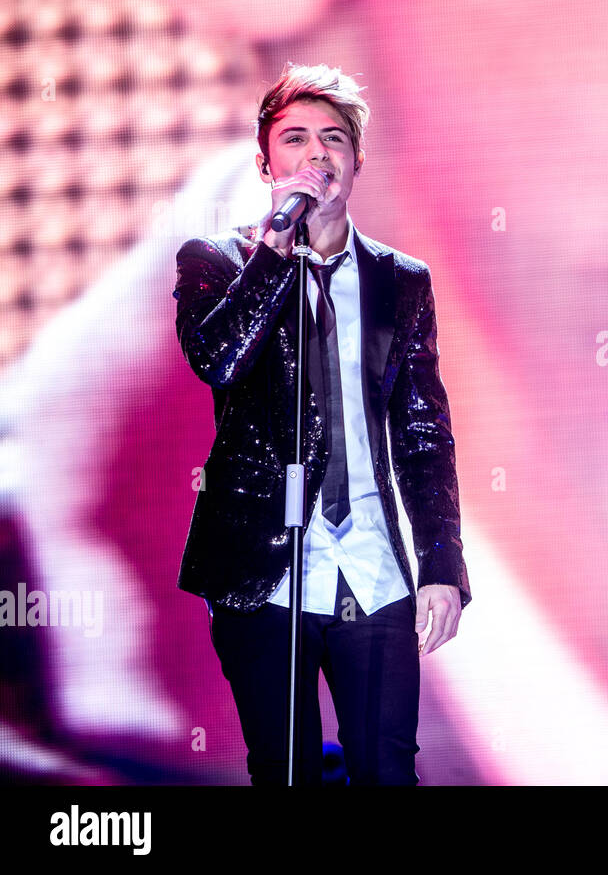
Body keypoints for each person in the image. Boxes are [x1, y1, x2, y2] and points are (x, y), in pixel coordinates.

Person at [172, 63, 470, 785]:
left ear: (357, 161)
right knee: (288, 772)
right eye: (295, 138)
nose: (316, 155)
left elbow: (423, 432)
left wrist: (441, 563)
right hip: (265, 566)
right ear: (265, 161)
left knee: (389, 767)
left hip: (371, 563)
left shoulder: (402, 281)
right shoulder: (215, 261)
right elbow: (219, 361)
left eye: (334, 139)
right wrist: (276, 253)